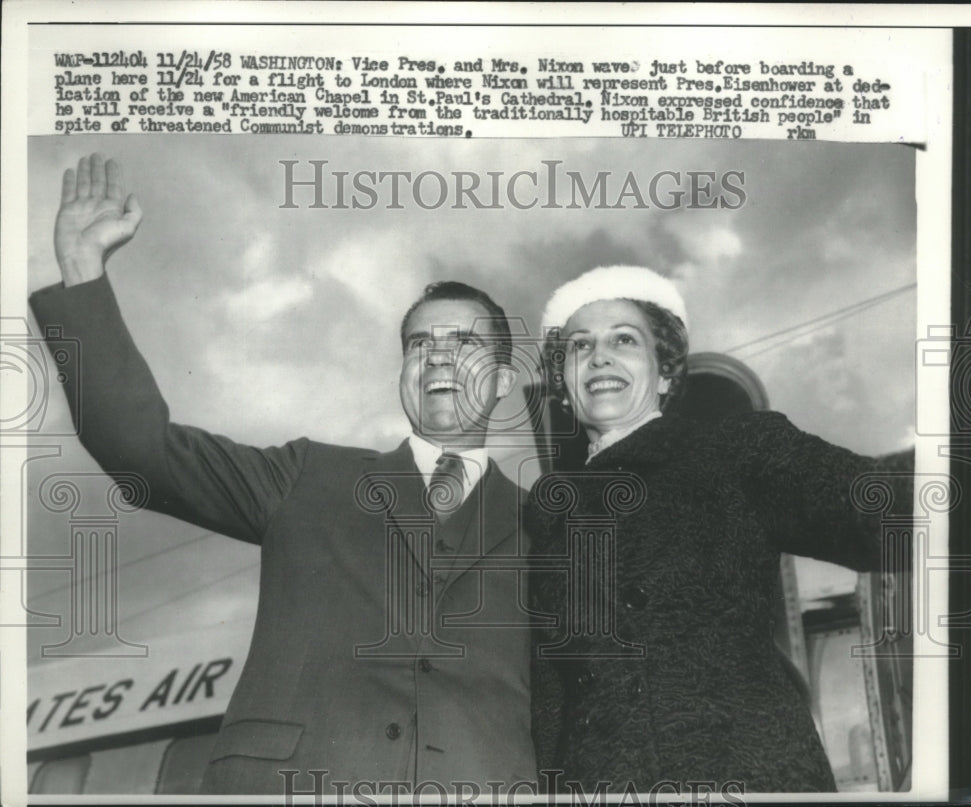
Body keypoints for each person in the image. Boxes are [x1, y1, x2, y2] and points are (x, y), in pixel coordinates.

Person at [29, 154, 536, 795]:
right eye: (419, 344)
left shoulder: (545, 527)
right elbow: (140, 453)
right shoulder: (306, 476)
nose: (437, 356)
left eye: (463, 344)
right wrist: (82, 270)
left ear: (500, 381)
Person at [527, 265, 910, 794]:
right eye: (579, 346)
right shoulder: (548, 522)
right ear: (564, 391)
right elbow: (551, 704)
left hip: (746, 772)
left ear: (665, 373)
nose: (599, 357)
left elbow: (890, 506)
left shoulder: (736, 451)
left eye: (624, 339)